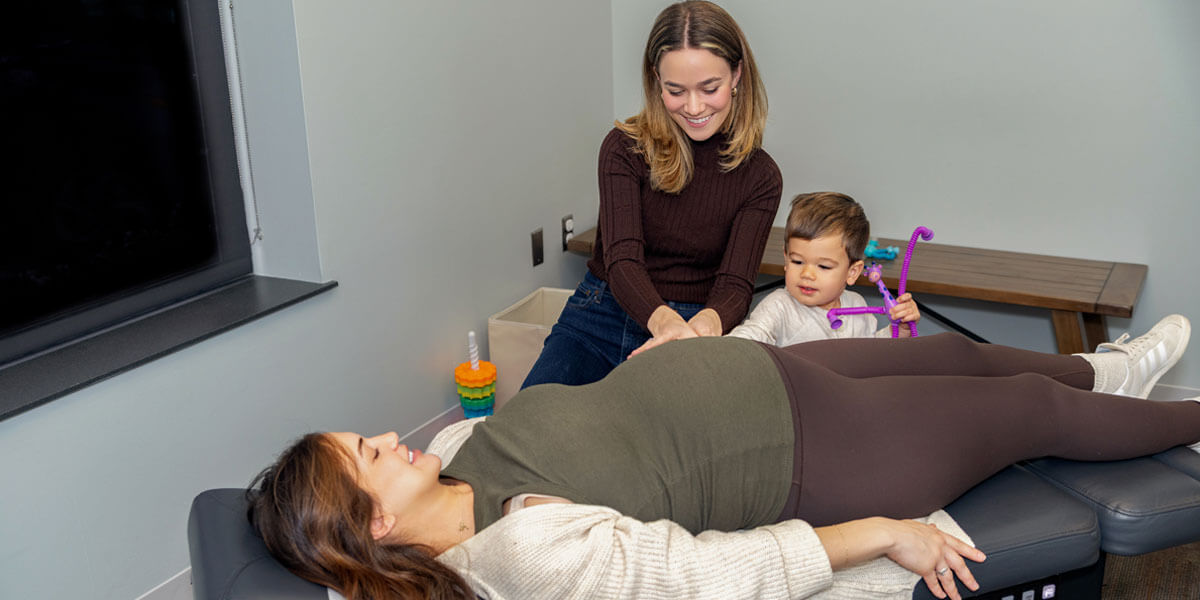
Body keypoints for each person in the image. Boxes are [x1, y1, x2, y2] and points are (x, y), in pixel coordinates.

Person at [249, 317, 1199, 600]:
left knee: (960, 352)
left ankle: (1108, 367)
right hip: (817, 454)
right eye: (364, 456)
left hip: (769, 372)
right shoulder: (518, 552)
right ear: (371, 519)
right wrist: (876, 535)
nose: (382, 438)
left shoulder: (455, 450)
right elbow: (705, 576)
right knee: (1025, 409)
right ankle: (1181, 414)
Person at [521, 1, 782, 388]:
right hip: (604, 311)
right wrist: (664, 324)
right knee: (530, 424)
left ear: (737, 75)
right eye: (675, 91)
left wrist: (694, 332)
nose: (694, 107)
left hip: (700, 323)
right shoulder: (622, 149)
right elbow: (623, 260)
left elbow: (735, 286)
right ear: (655, 81)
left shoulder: (761, 177)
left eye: (709, 88)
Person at [728, 191, 920, 346]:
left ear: (852, 272)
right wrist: (720, 348)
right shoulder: (779, 307)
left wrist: (900, 331)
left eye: (823, 266)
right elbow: (749, 338)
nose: (807, 274)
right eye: (797, 262)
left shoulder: (858, 307)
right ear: (786, 259)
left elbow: (870, 354)